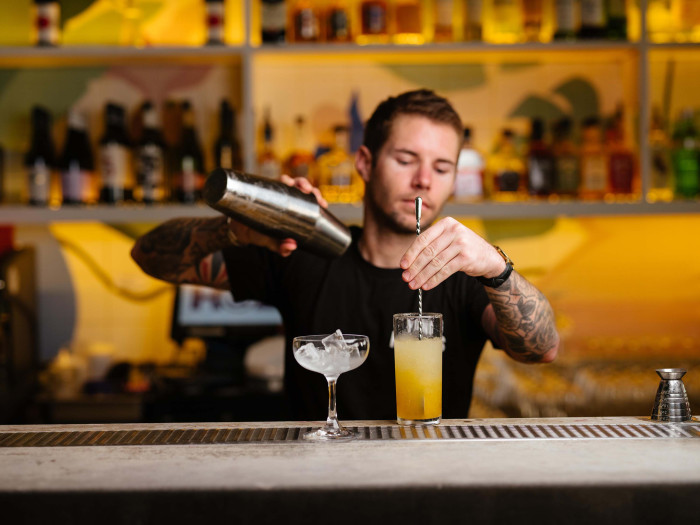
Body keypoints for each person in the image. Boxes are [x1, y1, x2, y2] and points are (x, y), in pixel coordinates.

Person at [131, 89, 559, 420]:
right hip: (317, 489)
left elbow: (540, 350)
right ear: (366, 163)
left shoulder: (466, 276)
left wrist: (498, 269)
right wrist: (233, 229)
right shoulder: (304, 252)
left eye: (442, 168)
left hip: (432, 486)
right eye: (406, 159)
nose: (424, 180)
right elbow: (149, 256)